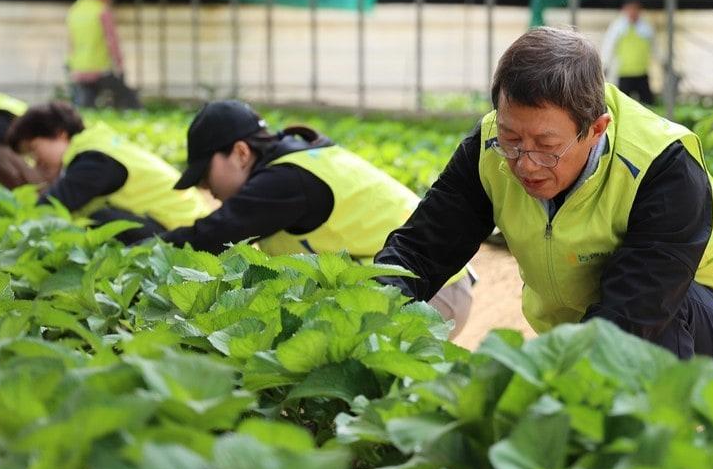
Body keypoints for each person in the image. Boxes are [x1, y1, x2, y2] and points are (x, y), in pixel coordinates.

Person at [373, 27, 713, 384]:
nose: (525, 162)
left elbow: (634, 314)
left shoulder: (663, 165)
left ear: (596, 127)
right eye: (512, 139)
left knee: (660, 312)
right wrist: (369, 319)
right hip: (590, 335)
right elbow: (419, 251)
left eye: (547, 146)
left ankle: (647, 453)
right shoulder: (489, 147)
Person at [158, 100, 476, 337]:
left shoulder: (283, 181)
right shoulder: (297, 163)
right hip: (429, 283)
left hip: (430, 293)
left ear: (241, 153)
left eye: (204, 177)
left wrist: (145, 246)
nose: (207, 189)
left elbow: (207, 238)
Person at [6, 101, 211, 243]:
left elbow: (51, 206)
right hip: (183, 219)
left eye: (34, 149)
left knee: (98, 220)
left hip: (180, 230)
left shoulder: (94, 160)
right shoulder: (97, 145)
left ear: (60, 134)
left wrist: (13, 231)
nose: (35, 162)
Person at [66, 0, 140, 109]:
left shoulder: (74, 11)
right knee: (127, 97)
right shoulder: (101, 10)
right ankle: (135, 114)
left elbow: (71, 41)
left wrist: (70, 64)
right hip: (99, 69)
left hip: (78, 68)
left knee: (86, 104)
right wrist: (120, 64)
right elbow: (112, 40)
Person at [601, 0, 655, 105]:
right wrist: (605, 65)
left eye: (635, 9)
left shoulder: (646, 28)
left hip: (642, 72)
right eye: (630, 9)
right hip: (624, 73)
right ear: (624, 10)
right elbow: (608, 46)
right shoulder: (617, 27)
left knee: (647, 104)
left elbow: (655, 47)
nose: (633, 12)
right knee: (623, 105)